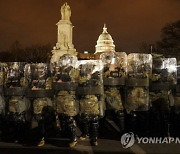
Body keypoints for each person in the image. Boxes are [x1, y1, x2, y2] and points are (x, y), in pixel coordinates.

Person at [51, 54, 79, 147]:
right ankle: (65, 133)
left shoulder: (73, 70)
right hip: (59, 96)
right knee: (61, 117)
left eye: (65, 60)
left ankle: (73, 137)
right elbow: (54, 80)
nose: (63, 62)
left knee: (69, 118)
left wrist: (62, 79)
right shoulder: (59, 70)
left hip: (68, 96)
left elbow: (74, 80)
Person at [77, 60, 105, 146]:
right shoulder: (81, 76)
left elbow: (100, 88)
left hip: (93, 99)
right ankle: (85, 133)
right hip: (84, 99)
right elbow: (79, 84)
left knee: (94, 120)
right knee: (85, 118)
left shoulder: (96, 76)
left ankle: (94, 138)